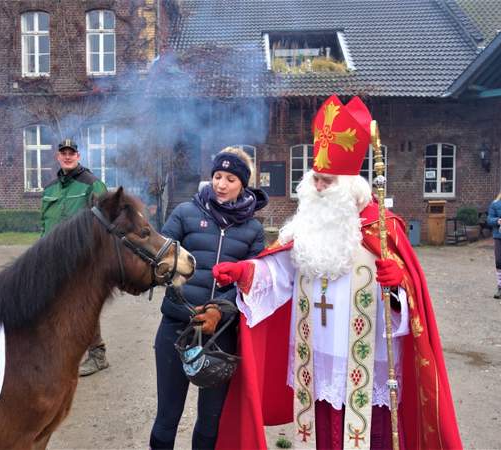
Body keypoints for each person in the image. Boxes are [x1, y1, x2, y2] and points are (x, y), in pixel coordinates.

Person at [212, 96, 462, 450]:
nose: (317, 188)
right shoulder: (306, 228)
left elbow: (411, 302)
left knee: (371, 434)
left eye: (326, 181)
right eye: (315, 179)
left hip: (366, 355)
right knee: (324, 429)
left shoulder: (382, 228)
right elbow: (281, 271)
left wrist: (398, 288)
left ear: (349, 185)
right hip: (318, 353)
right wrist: (245, 271)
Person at [149, 147, 268, 449]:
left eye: (230, 178)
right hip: (177, 328)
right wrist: (182, 300)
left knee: (210, 421)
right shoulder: (185, 213)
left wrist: (219, 311)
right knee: (167, 416)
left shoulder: (253, 229)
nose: (221, 184)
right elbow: (161, 260)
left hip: (220, 336)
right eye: (217, 176)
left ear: (243, 184)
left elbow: (251, 281)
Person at [41, 138, 109, 376]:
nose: (67, 156)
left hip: (81, 257)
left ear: (78, 156)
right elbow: (45, 224)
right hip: (51, 256)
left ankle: (98, 355)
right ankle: (61, 351)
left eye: (72, 153)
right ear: (58, 157)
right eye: (63, 153)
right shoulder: (50, 189)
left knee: (82, 305)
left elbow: (106, 221)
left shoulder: (92, 184)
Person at [487, 192, 501, 299]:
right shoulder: (495, 204)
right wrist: (497, 220)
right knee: (499, 262)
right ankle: (500, 288)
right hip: (499, 237)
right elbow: (489, 220)